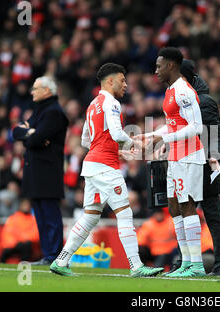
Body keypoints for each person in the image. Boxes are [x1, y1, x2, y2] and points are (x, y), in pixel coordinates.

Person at [50, 63, 163, 277]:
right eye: (122, 80)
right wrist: (134, 146)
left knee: (90, 216)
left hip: (93, 165)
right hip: (105, 167)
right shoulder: (111, 103)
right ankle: (136, 266)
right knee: (125, 213)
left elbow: (86, 140)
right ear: (110, 81)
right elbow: (118, 133)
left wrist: (115, 151)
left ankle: (61, 261)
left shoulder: (93, 105)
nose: (126, 85)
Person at [139, 47, 206, 277]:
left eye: (159, 66)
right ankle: (186, 262)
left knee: (187, 205)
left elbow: (196, 127)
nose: (155, 71)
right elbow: (175, 124)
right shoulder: (170, 91)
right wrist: (151, 135)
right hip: (175, 156)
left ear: (170, 66)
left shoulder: (184, 91)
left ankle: (196, 265)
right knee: (173, 207)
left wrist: (163, 137)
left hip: (190, 155)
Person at [180, 59, 220, 276]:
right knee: (185, 213)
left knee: (212, 215)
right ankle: (188, 262)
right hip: (185, 163)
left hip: (203, 165)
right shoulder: (182, 98)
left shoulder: (204, 101)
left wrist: (213, 156)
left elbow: (214, 132)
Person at [12, 76, 69, 265]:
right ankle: (48, 255)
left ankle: (54, 256)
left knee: (50, 215)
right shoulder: (41, 111)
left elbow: (36, 139)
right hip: (36, 172)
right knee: (41, 216)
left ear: (47, 91)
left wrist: (31, 134)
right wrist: (31, 133)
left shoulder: (53, 112)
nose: (32, 92)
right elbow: (16, 132)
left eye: (36, 88)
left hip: (47, 172)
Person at [0, 198, 40, 263]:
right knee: (4, 253)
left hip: (27, 244)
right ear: (20, 206)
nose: (26, 207)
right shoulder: (13, 218)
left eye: (28, 205)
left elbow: (36, 234)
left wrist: (21, 239)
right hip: (13, 244)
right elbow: (7, 233)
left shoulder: (34, 219)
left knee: (26, 246)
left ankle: (23, 267)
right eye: (24, 205)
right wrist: (15, 242)